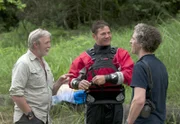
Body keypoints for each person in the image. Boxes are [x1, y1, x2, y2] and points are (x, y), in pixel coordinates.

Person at [68, 20, 134, 124]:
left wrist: (106, 78)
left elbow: (130, 75)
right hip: (94, 106)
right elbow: (71, 79)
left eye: (109, 33)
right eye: (103, 34)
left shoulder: (120, 54)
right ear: (94, 36)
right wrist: (79, 83)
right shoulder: (85, 57)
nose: (107, 36)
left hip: (115, 105)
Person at [9, 28, 72, 124]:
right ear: (36, 44)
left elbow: (49, 92)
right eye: (46, 43)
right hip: (27, 119)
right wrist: (30, 116)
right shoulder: (24, 63)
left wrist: (59, 83)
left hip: (44, 117)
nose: (49, 46)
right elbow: (15, 94)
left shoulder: (44, 63)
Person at [126, 23, 168, 124]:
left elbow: (139, 100)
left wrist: (129, 122)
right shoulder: (161, 66)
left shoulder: (140, 66)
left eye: (133, 38)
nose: (130, 41)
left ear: (141, 43)